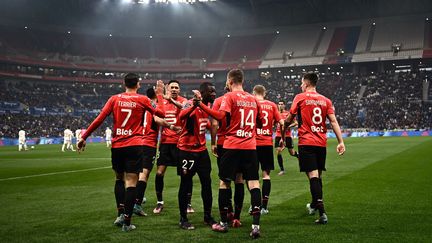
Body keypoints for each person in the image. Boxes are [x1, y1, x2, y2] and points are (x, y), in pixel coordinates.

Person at [77, 73, 165, 232]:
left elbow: (99, 119)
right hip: (134, 145)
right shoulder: (143, 100)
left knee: (119, 179)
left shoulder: (114, 99)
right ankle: (127, 222)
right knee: (131, 182)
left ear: (123, 83)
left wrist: (84, 137)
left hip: (117, 146)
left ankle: (120, 214)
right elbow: (162, 114)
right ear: (138, 84)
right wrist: (159, 94)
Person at [196, 69, 263, 239]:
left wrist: (200, 104)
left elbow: (219, 116)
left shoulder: (228, 97)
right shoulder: (253, 99)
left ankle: (224, 223)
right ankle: (255, 226)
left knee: (224, 183)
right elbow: (260, 123)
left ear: (230, 81)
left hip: (232, 146)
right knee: (254, 184)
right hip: (250, 147)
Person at [281, 73, 345, 224]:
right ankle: (314, 204)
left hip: (306, 143)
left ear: (307, 83)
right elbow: (334, 121)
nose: (300, 86)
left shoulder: (300, 97)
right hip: (321, 143)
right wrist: (340, 141)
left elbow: (289, 119)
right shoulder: (326, 100)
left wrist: (284, 127)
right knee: (317, 177)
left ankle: (322, 213)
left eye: (302, 83)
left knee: (313, 177)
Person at [133, 87, 181, 217]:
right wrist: (170, 126)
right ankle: (136, 204)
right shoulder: (152, 106)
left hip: (136, 142)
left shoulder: (140, 106)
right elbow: (157, 118)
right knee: (144, 174)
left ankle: (136, 198)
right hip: (148, 143)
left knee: (135, 174)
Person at [176, 82, 218, 230]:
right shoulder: (189, 103)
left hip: (201, 151)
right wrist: (195, 105)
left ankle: (208, 216)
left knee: (207, 183)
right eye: (211, 91)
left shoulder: (207, 107)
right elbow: (181, 116)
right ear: (203, 92)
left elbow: (208, 123)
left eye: (214, 91)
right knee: (185, 184)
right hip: (186, 150)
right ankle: (183, 219)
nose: (214, 94)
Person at [154, 80, 194, 214]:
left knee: (185, 174)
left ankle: (188, 203)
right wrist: (169, 126)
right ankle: (160, 202)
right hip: (165, 143)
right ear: (168, 89)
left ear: (179, 90)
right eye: (172, 87)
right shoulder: (161, 102)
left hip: (181, 143)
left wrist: (170, 100)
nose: (175, 89)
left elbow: (186, 109)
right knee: (159, 173)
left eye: (177, 87)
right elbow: (156, 118)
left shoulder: (184, 101)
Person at [210, 89, 244, 228]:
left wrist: (213, 143)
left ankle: (226, 215)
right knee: (239, 179)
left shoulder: (218, 101)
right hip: (241, 143)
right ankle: (237, 217)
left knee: (225, 181)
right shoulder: (244, 100)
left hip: (224, 142)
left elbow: (214, 124)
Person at [252, 85, 284, 214]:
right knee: (266, 175)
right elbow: (282, 123)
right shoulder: (272, 105)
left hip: (252, 144)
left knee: (252, 177)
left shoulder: (251, 103)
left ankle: (254, 205)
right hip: (267, 143)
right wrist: (282, 137)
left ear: (254, 93)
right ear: (264, 93)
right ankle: (264, 206)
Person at [275, 101, 298, 175]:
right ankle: (282, 170)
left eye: (282, 104)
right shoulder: (276, 113)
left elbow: (296, 123)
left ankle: (298, 155)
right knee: (278, 151)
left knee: (291, 153)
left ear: (284, 105)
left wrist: (288, 126)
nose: (280, 105)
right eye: (279, 104)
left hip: (287, 136)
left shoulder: (288, 114)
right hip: (278, 135)